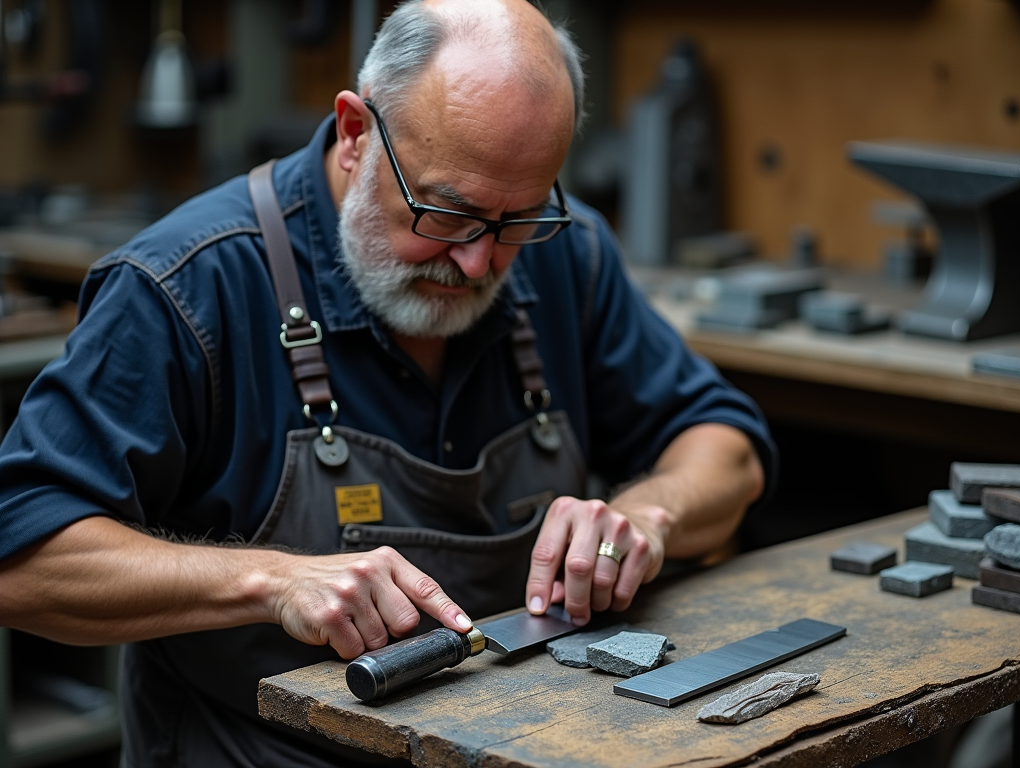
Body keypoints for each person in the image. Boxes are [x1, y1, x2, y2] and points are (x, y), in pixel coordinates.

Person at [0, 0, 774, 765]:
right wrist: (268, 579)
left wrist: (647, 514)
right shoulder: (185, 287)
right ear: (353, 134)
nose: (478, 264)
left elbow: (727, 447)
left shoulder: (565, 256)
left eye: (518, 219)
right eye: (447, 213)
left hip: (523, 742)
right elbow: (23, 557)